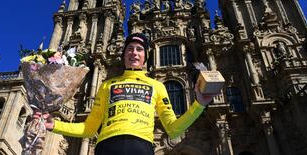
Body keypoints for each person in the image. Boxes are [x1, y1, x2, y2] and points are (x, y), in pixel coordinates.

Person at [40, 33, 217, 155]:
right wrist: (54, 124)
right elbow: (89, 128)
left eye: (139, 49)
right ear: (124, 55)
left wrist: (199, 104)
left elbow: (173, 128)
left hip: (142, 148)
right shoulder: (107, 85)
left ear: (145, 57)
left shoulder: (156, 86)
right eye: (130, 48)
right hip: (106, 147)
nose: (134, 52)